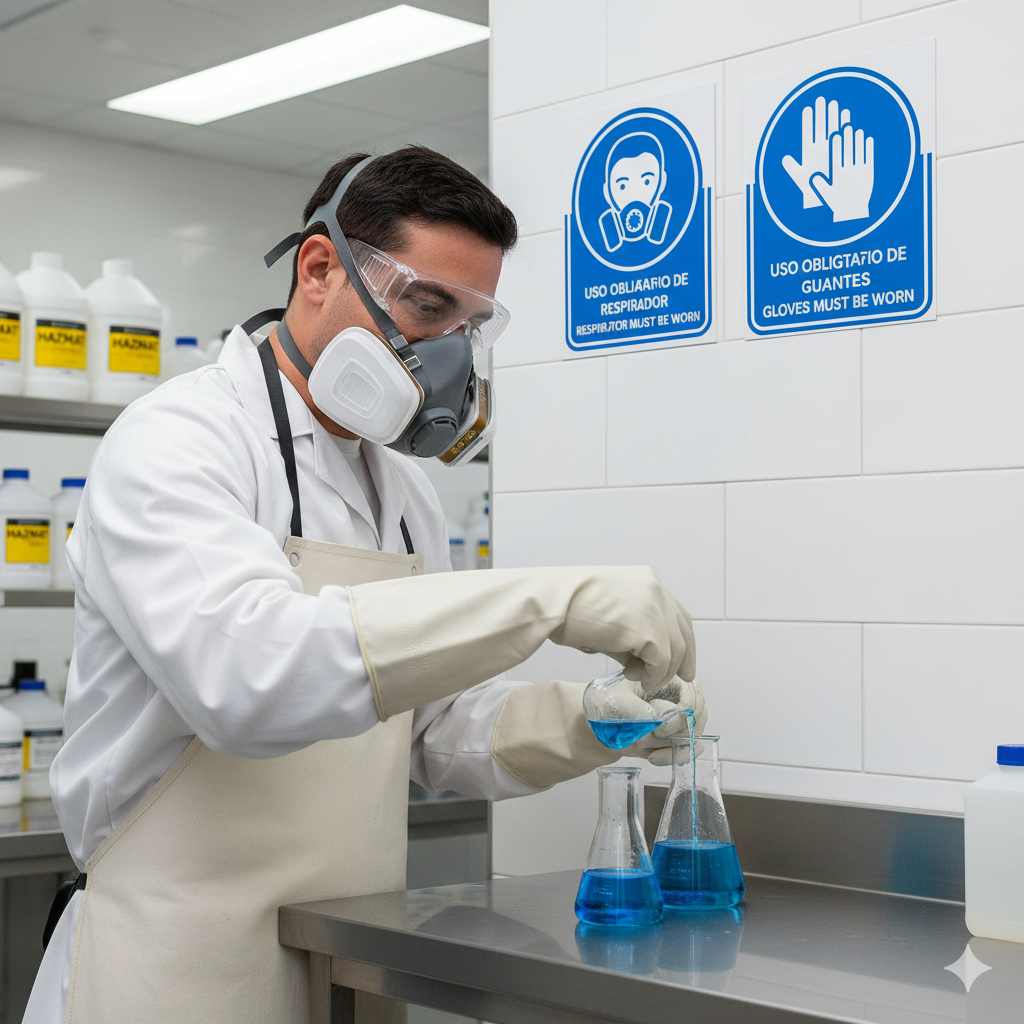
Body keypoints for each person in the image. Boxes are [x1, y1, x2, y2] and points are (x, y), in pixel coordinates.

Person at [22, 147, 706, 1024]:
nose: (445, 355)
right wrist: (546, 601)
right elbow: (248, 681)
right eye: (427, 306)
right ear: (319, 268)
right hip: (175, 962)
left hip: (346, 957)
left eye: (470, 325)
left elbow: (437, 731)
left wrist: (591, 719)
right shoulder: (179, 440)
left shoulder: (403, 487)